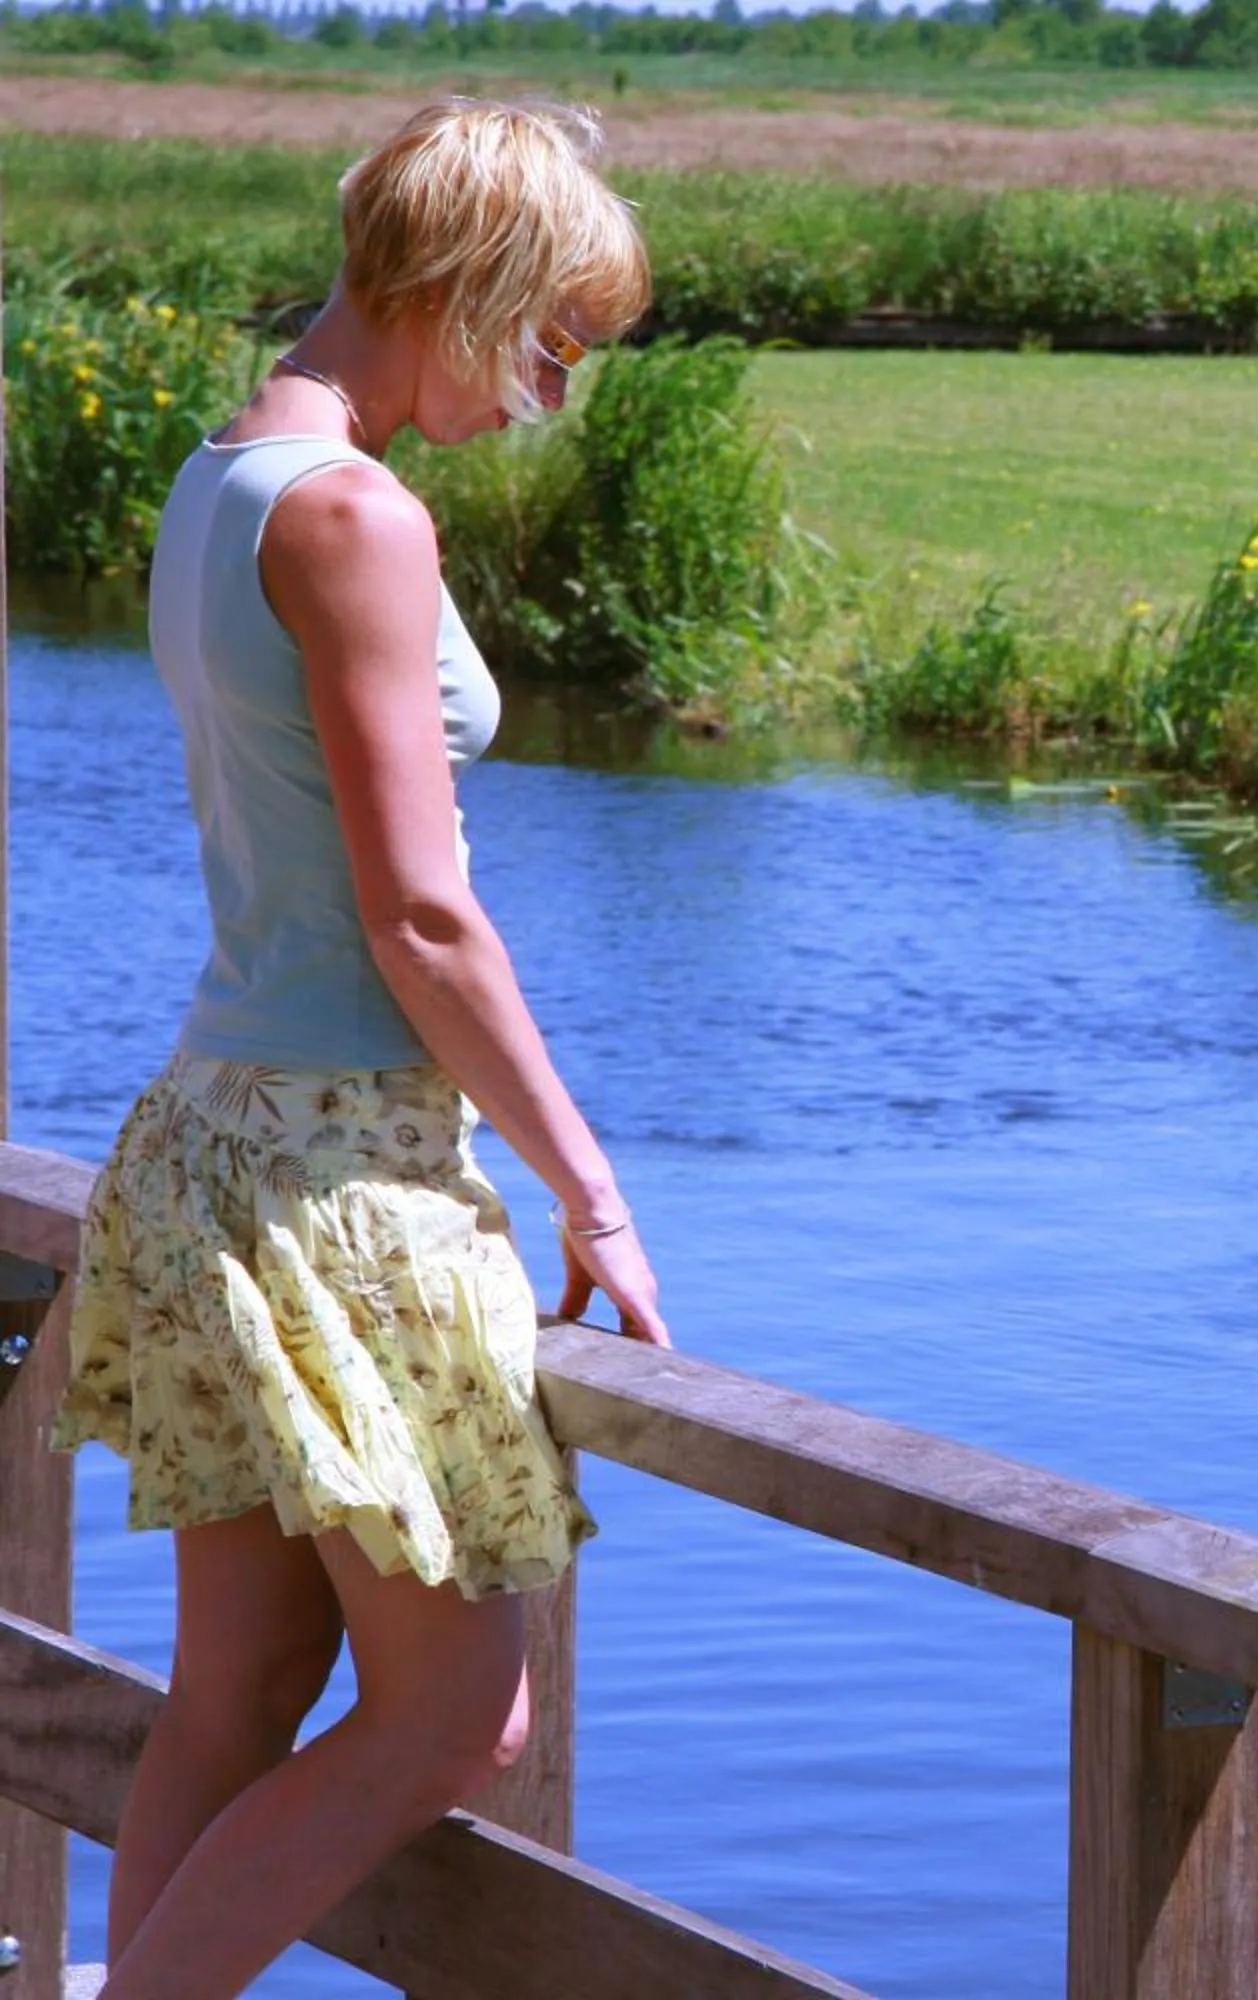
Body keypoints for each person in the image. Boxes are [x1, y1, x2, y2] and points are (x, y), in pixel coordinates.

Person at [46, 98, 670, 2000]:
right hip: (339, 1176)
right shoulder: (351, 515)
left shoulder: (220, 472)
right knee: (457, 1720)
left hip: (209, 1134)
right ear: (461, 289)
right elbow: (421, 918)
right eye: (552, 339)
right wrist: (591, 1182)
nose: (556, 389)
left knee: (233, 1697)